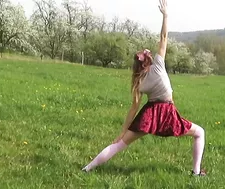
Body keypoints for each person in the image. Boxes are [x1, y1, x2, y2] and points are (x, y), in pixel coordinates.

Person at [82, 0, 206, 176]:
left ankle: (87, 168)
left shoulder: (138, 81)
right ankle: (196, 172)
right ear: (149, 60)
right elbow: (163, 38)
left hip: (149, 114)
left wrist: (123, 131)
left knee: (118, 145)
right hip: (167, 112)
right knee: (199, 132)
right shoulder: (158, 66)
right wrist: (165, 15)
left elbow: (134, 109)